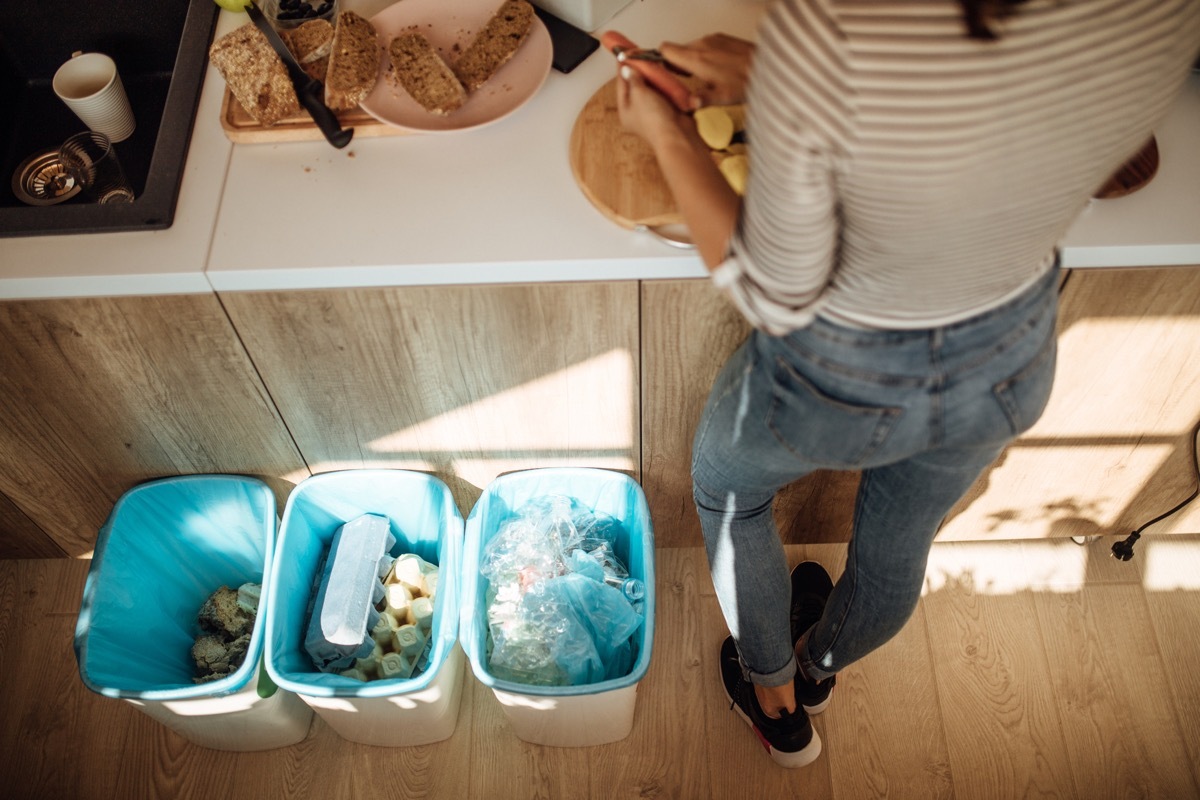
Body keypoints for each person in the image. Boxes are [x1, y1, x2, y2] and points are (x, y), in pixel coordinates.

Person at [612, 0, 1200, 768]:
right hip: (1011, 348)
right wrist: (785, 78)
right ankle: (819, 671)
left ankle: (775, 697)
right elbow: (989, 117)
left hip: (841, 364)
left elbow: (773, 292)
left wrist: (668, 131)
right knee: (896, 542)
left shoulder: (833, 26)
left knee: (732, 493)